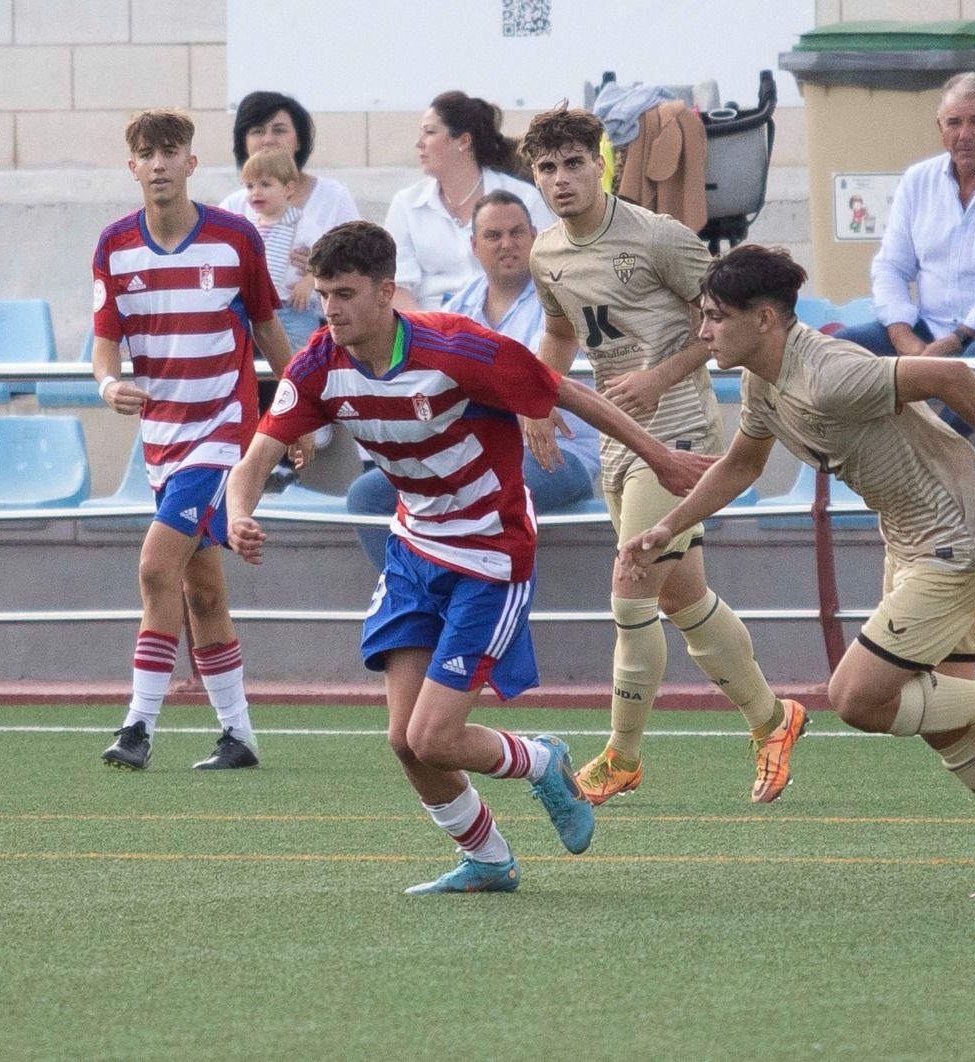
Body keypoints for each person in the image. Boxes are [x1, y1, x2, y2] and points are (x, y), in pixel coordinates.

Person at [224, 221, 713, 894]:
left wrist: (658, 455)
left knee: (434, 737)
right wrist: (240, 512)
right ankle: (487, 859)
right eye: (322, 292)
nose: (329, 308)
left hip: (490, 555)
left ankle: (542, 763)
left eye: (345, 293)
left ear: (386, 292)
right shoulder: (317, 364)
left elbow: (565, 390)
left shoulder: (454, 347)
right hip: (414, 552)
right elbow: (255, 457)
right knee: (406, 741)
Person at [620, 244, 975, 898]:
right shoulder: (763, 379)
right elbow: (741, 466)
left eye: (715, 316)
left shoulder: (832, 375)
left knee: (857, 700)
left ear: (764, 319)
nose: (703, 332)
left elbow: (954, 377)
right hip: (912, 543)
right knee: (941, 721)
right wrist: (668, 526)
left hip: (957, 541)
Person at [521, 106, 807, 806]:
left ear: (602, 164)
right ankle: (775, 719)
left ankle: (622, 755)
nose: (562, 180)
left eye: (574, 163)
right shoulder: (545, 252)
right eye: (547, 168)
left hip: (680, 433)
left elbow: (724, 328)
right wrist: (535, 399)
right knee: (681, 597)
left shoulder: (659, 239)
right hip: (619, 440)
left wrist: (658, 375)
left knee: (632, 581)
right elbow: (559, 333)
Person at [92, 108, 308, 773]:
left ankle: (138, 727)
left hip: (224, 433)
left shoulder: (234, 238)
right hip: (162, 439)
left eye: (170, 152)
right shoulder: (114, 246)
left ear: (191, 162)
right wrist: (109, 387)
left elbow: (272, 335)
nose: (158, 164)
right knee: (201, 592)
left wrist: (296, 416)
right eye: (145, 154)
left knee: (156, 568)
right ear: (132, 168)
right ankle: (238, 736)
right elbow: (105, 346)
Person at [345, 190, 599, 566]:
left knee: (475, 489)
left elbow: (513, 390)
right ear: (474, 245)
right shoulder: (457, 307)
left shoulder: (562, 298)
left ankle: (466, 601)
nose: (507, 244)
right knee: (366, 495)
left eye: (517, 233)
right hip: (465, 451)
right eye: (493, 236)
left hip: (556, 456)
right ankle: (412, 597)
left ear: (534, 237)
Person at [835, 72, 975, 436]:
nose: (964, 134)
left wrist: (956, 341)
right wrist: (902, 337)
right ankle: (864, 452)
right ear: (940, 128)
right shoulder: (917, 181)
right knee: (837, 351)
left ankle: (934, 450)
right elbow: (891, 267)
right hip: (928, 327)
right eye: (954, 123)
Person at [384, 90, 553, 311]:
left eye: (430, 132)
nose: (419, 143)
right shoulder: (406, 204)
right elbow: (397, 287)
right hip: (432, 330)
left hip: (509, 323)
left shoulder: (523, 198)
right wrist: (430, 337)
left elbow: (548, 270)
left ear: (463, 141)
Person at [220, 91, 361, 349]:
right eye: (257, 131)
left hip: (313, 322)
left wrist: (321, 270)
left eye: (279, 130)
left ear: (299, 141)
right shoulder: (233, 206)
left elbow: (360, 266)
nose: (268, 140)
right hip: (248, 323)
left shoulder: (333, 197)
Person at [240, 148, 315, 351]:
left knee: (300, 355)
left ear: (288, 188)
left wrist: (308, 281)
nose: (255, 192)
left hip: (294, 308)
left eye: (265, 184)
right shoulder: (249, 226)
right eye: (249, 186)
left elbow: (326, 260)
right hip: (259, 309)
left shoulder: (302, 223)